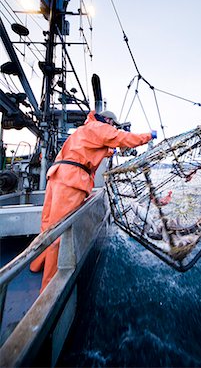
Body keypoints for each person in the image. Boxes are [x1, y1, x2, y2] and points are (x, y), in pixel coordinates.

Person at [30, 110, 156, 292]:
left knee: (47, 226)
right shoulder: (100, 127)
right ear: (107, 120)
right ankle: (49, 288)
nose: (112, 127)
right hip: (71, 182)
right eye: (112, 124)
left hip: (56, 176)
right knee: (59, 233)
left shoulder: (85, 129)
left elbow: (96, 148)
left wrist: (109, 151)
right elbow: (123, 138)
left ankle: (36, 263)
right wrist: (148, 136)